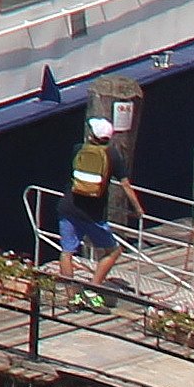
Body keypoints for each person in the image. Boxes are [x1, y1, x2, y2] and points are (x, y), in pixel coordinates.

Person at [61, 111, 130, 301]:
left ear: (92, 135)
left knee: (67, 253)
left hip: (68, 207)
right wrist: (138, 208)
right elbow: (125, 184)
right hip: (93, 213)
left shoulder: (78, 149)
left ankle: (72, 297)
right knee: (113, 251)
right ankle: (93, 289)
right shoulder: (113, 155)